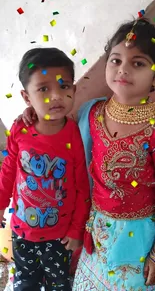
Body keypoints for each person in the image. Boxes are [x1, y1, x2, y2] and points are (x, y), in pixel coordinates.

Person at [21, 18, 155, 290]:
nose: (123, 70)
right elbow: (58, 136)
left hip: (141, 238)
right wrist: (35, 115)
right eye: (115, 60)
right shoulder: (92, 112)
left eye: (138, 63)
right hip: (95, 231)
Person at [0, 47, 91, 291]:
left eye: (64, 86)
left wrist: (76, 230)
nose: (56, 96)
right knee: (24, 284)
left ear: (73, 89)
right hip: (22, 232)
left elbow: (82, 186)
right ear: (27, 97)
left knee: (59, 285)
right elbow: (8, 170)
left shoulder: (75, 133)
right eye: (43, 89)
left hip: (59, 237)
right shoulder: (20, 129)